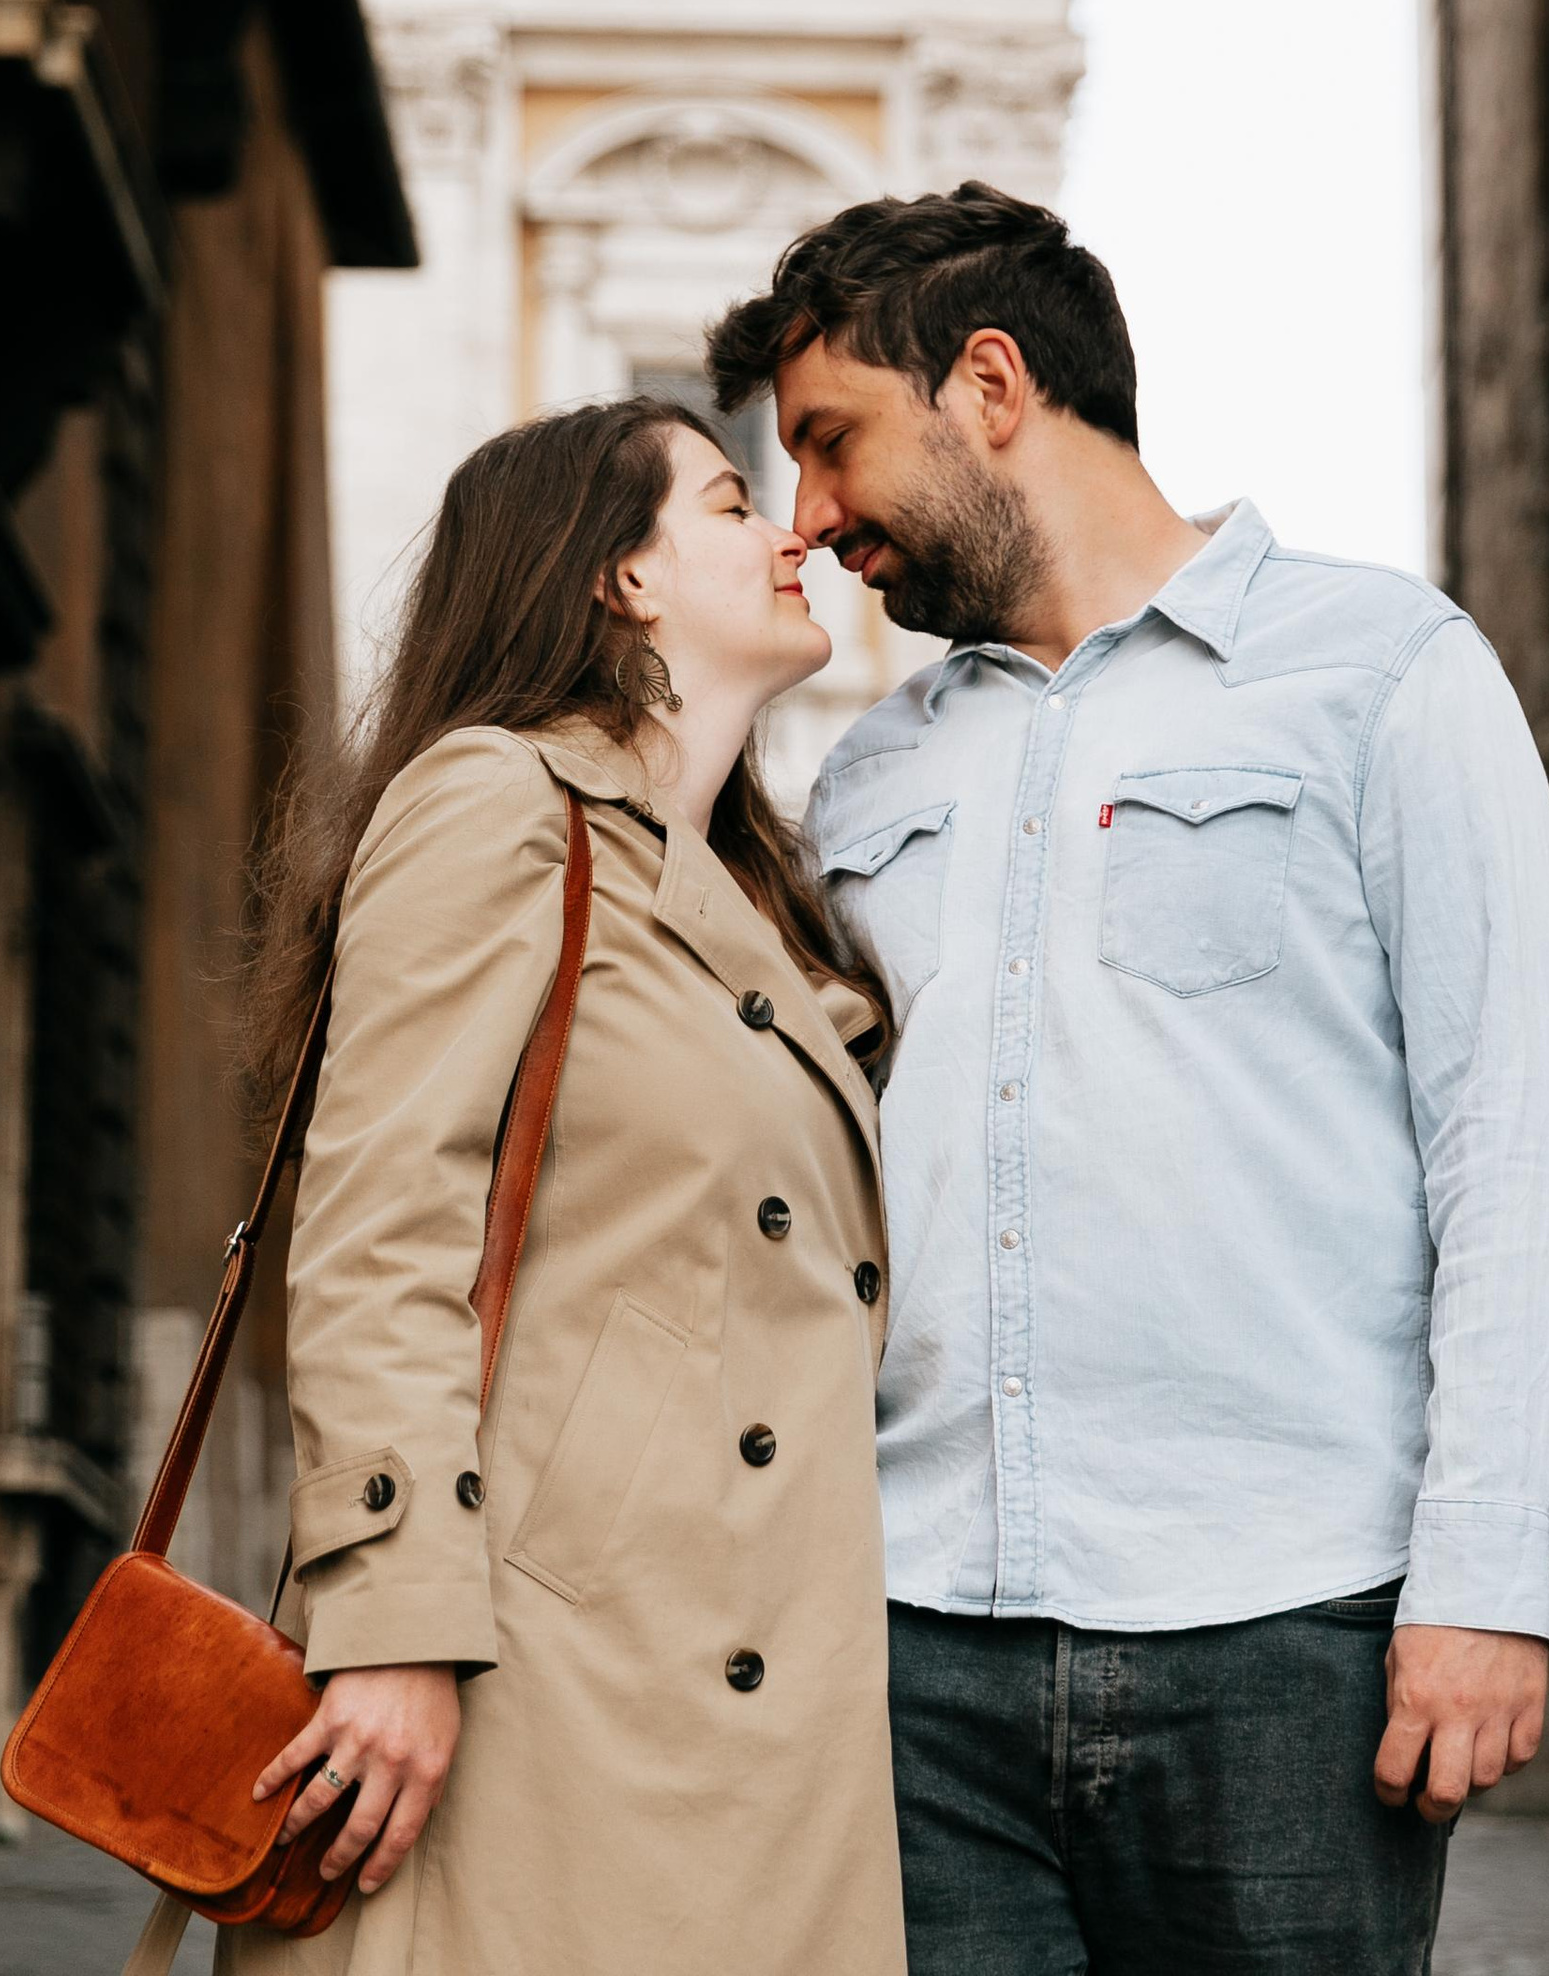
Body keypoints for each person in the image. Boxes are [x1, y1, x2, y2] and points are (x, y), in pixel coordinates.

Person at [707, 183, 1549, 1976]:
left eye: (830, 441)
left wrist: (1486, 1577)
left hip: (1286, 1636)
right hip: (912, 1644)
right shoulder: (869, 776)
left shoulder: (1385, 676)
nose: (810, 519)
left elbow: (1512, 1143)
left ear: (988, 385)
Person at [221, 399, 904, 1976]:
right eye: (730, 504)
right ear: (621, 576)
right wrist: (394, 1621)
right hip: (541, 1678)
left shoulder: (769, 910)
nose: (791, 531)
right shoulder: (495, 801)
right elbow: (381, 1233)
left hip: (758, 1687)